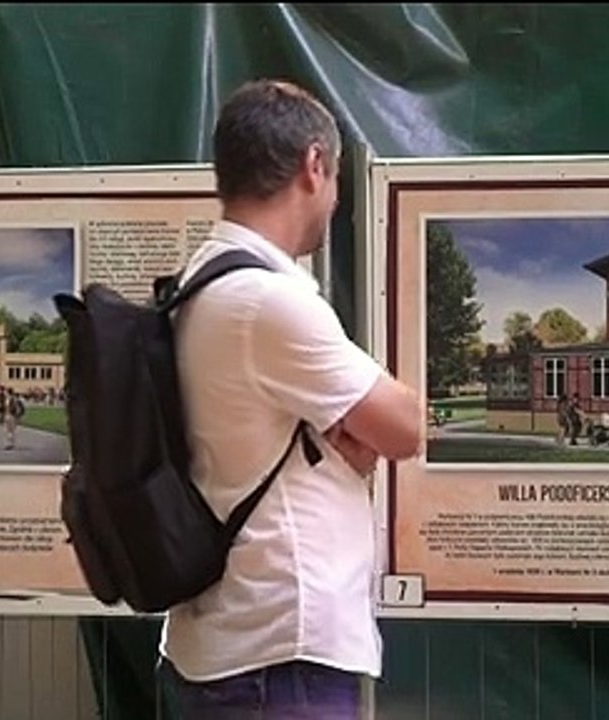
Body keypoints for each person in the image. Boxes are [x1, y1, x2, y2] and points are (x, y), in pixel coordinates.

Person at [157, 79, 424, 720]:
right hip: (277, 660)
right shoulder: (268, 300)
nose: (333, 201)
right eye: (332, 180)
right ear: (313, 165)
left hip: (232, 645)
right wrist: (350, 442)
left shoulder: (202, 281)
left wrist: (343, 443)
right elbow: (406, 427)